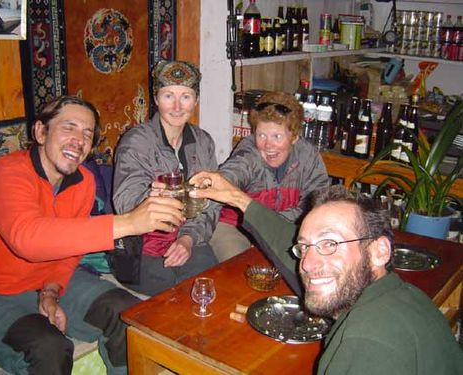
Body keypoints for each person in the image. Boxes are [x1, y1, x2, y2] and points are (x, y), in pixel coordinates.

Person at [0, 95, 185, 375]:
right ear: (41, 132)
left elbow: (69, 254)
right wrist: (129, 222)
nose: (79, 140)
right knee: (50, 349)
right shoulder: (8, 173)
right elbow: (28, 239)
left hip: (46, 281)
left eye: (87, 133)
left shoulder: (84, 182)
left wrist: (51, 290)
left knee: (129, 316)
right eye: (69, 127)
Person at [189, 172, 463, 374]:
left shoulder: (368, 340)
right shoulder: (400, 295)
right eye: (305, 247)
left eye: (330, 243)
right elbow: (286, 242)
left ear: (379, 251)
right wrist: (236, 197)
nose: (307, 263)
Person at [112, 60, 218, 296]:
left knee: (209, 286)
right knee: (173, 300)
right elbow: (124, 203)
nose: (178, 106)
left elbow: (211, 202)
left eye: (186, 96)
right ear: (156, 99)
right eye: (168, 96)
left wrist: (188, 238)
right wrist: (157, 197)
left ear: (196, 100)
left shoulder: (203, 142)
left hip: (190, 238)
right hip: (144, 246)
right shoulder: (136, 142)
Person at [210, 91, 329, 261]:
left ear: (294, 136)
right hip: (236, 227)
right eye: (261, 135)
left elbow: (317, 203)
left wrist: (271, 227)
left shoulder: (308, 155)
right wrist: (215, 181)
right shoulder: (249, 152)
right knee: (244, 269)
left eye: (276, 136)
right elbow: (234, 171)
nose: (267, 145)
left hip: (284, 228)